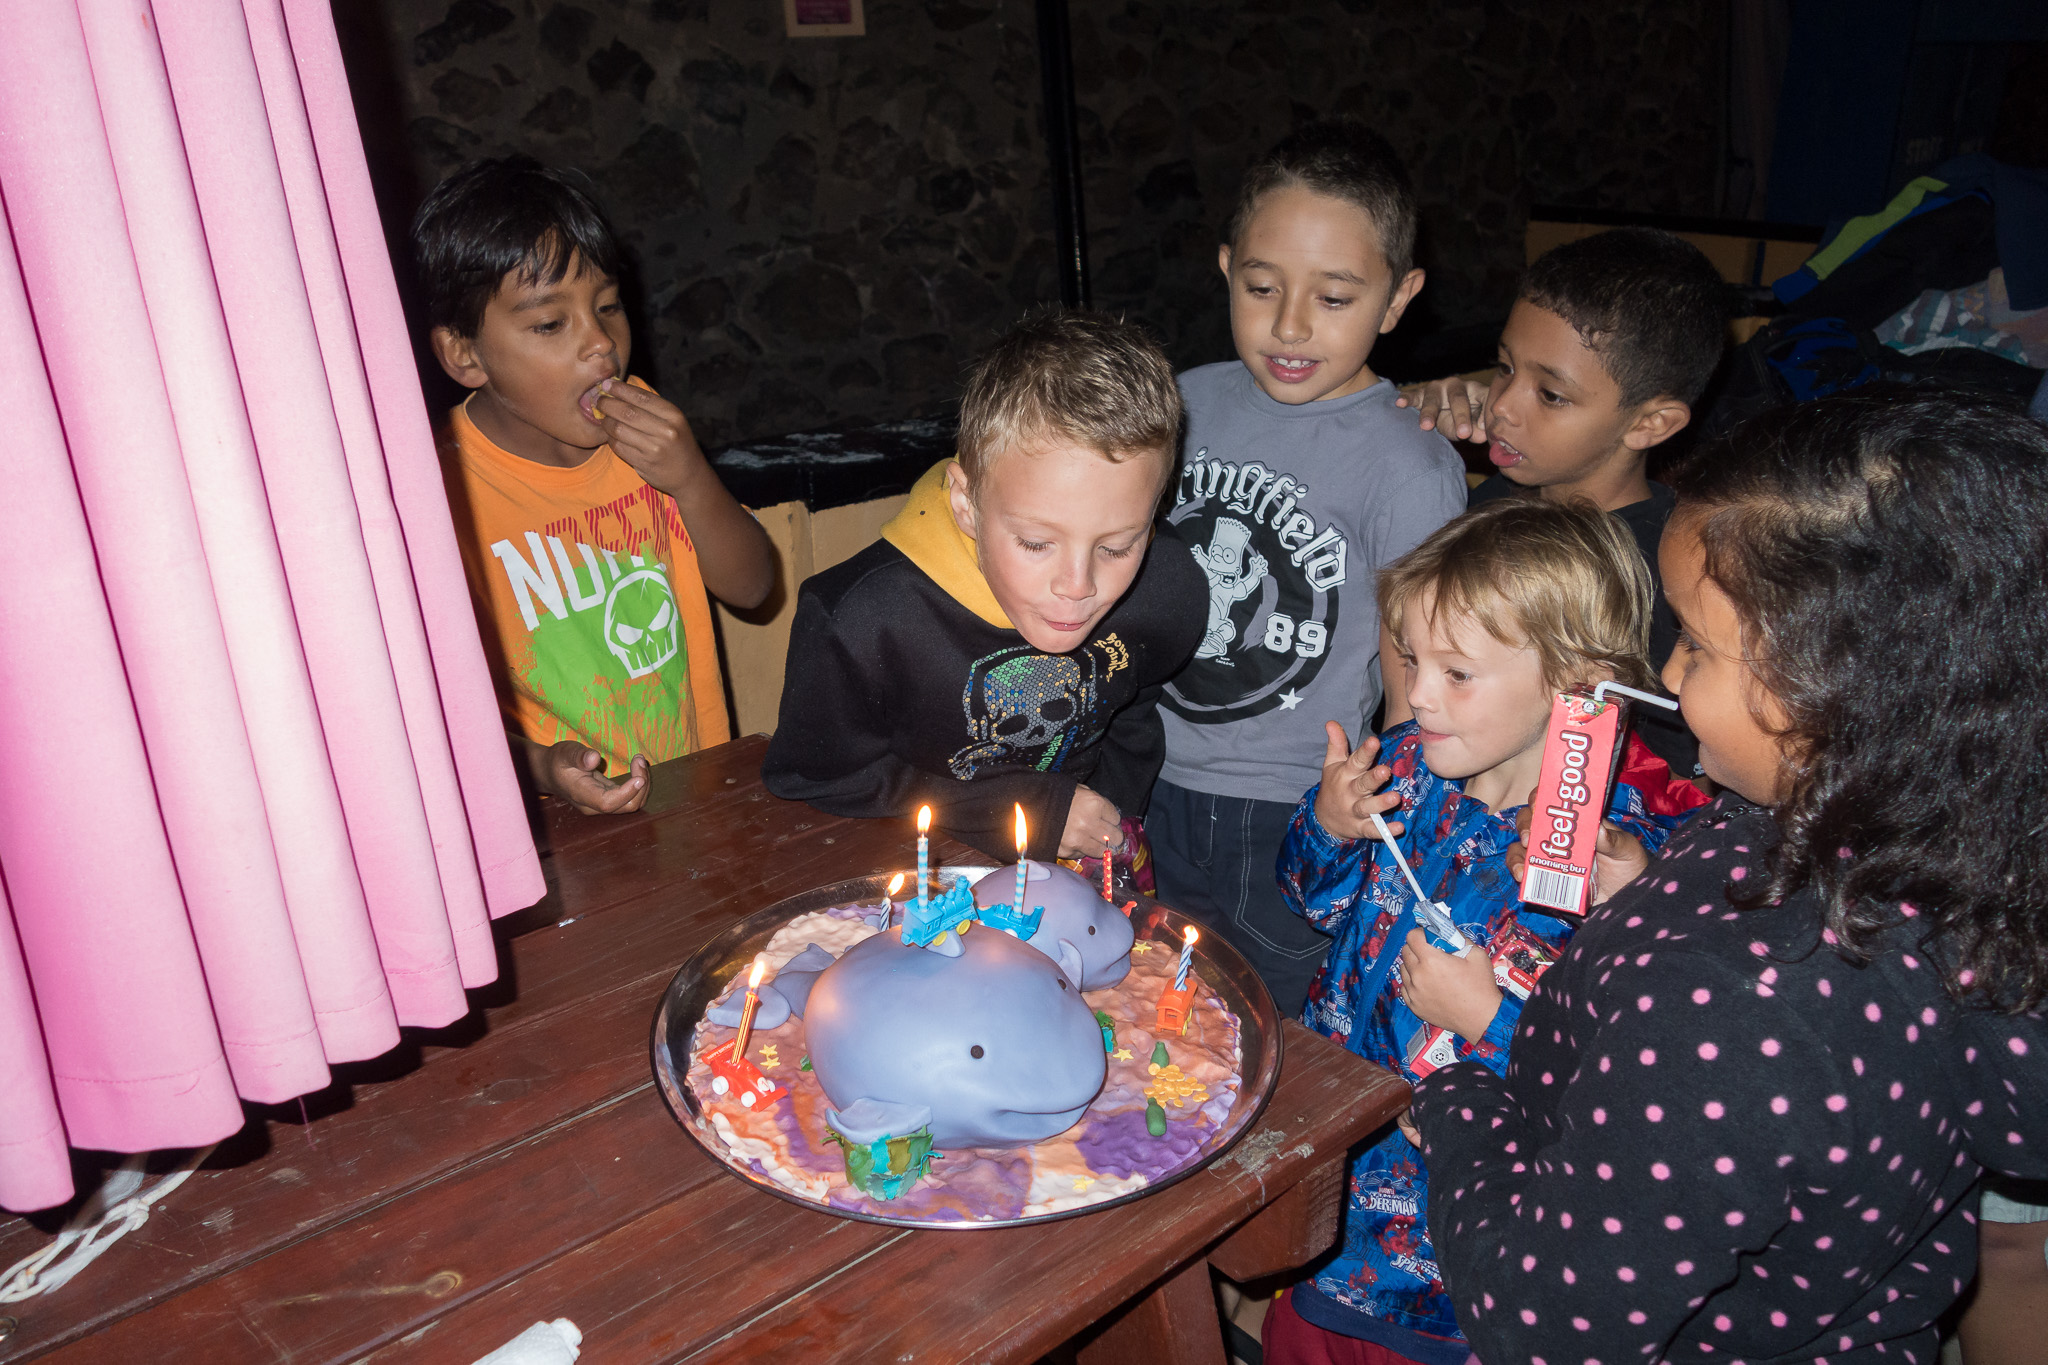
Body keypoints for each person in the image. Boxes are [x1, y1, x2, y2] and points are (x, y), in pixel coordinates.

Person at [1410, 388, 2048, 1364]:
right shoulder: (1939, 833)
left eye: (1697, 647)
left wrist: (1461, 1103)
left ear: (1837, 695)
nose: (1666, 677)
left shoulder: (1737, 1015)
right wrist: (1641, 892)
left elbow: (1536, 1326)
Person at [1265, 499, 1707, 1365]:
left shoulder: (1621, 861)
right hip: (1328, 1167)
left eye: (1457, 672)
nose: (1418, 693)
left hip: (1452, 1247)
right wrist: (1328, 826)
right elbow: (1312, 903)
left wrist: (1487, 1020)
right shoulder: (1405, 763)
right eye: (1411, 658)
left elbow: (1623, 1088)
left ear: (1577, 680)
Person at [1151, 120, 1467, 1016]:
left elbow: (1417, 665)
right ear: (1226, 269)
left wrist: (1395, 806)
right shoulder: (1181, 401)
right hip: (1151, 776)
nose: (1290, 325)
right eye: (1261, 287)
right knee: (1163, 1015)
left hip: (1296, 812)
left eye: (1333, 297)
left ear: (1398, 299)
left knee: (1290, 1034)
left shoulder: (1409, 462)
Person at [760, 310, 1205, 861]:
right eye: (1036, 543)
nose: (1077, 586)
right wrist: (1017, 810)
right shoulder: (860, 621)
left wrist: (1108, 822)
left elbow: (1134, 710)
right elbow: (813, 775)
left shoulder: (1168, 587)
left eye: (1116, 547)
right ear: (966, 504)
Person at [416, 158, 774, 815]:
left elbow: (753, 588)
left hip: (692, 797)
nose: (602, 344)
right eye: (550, 324)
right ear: (465, 354)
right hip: (556, 828)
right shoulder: (438, 494)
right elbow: (433, 719)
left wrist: (690, 478)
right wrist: (542, 767)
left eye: (607, 307)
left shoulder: (643, 430)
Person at [1394, 227, 1727, 779]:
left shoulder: (1672, 574)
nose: (1501, 406)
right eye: (1505, 367)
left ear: (1650, 423)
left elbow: (1668, 779)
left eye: (1550, 394)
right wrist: (1409, 435)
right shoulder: (1495, 503)